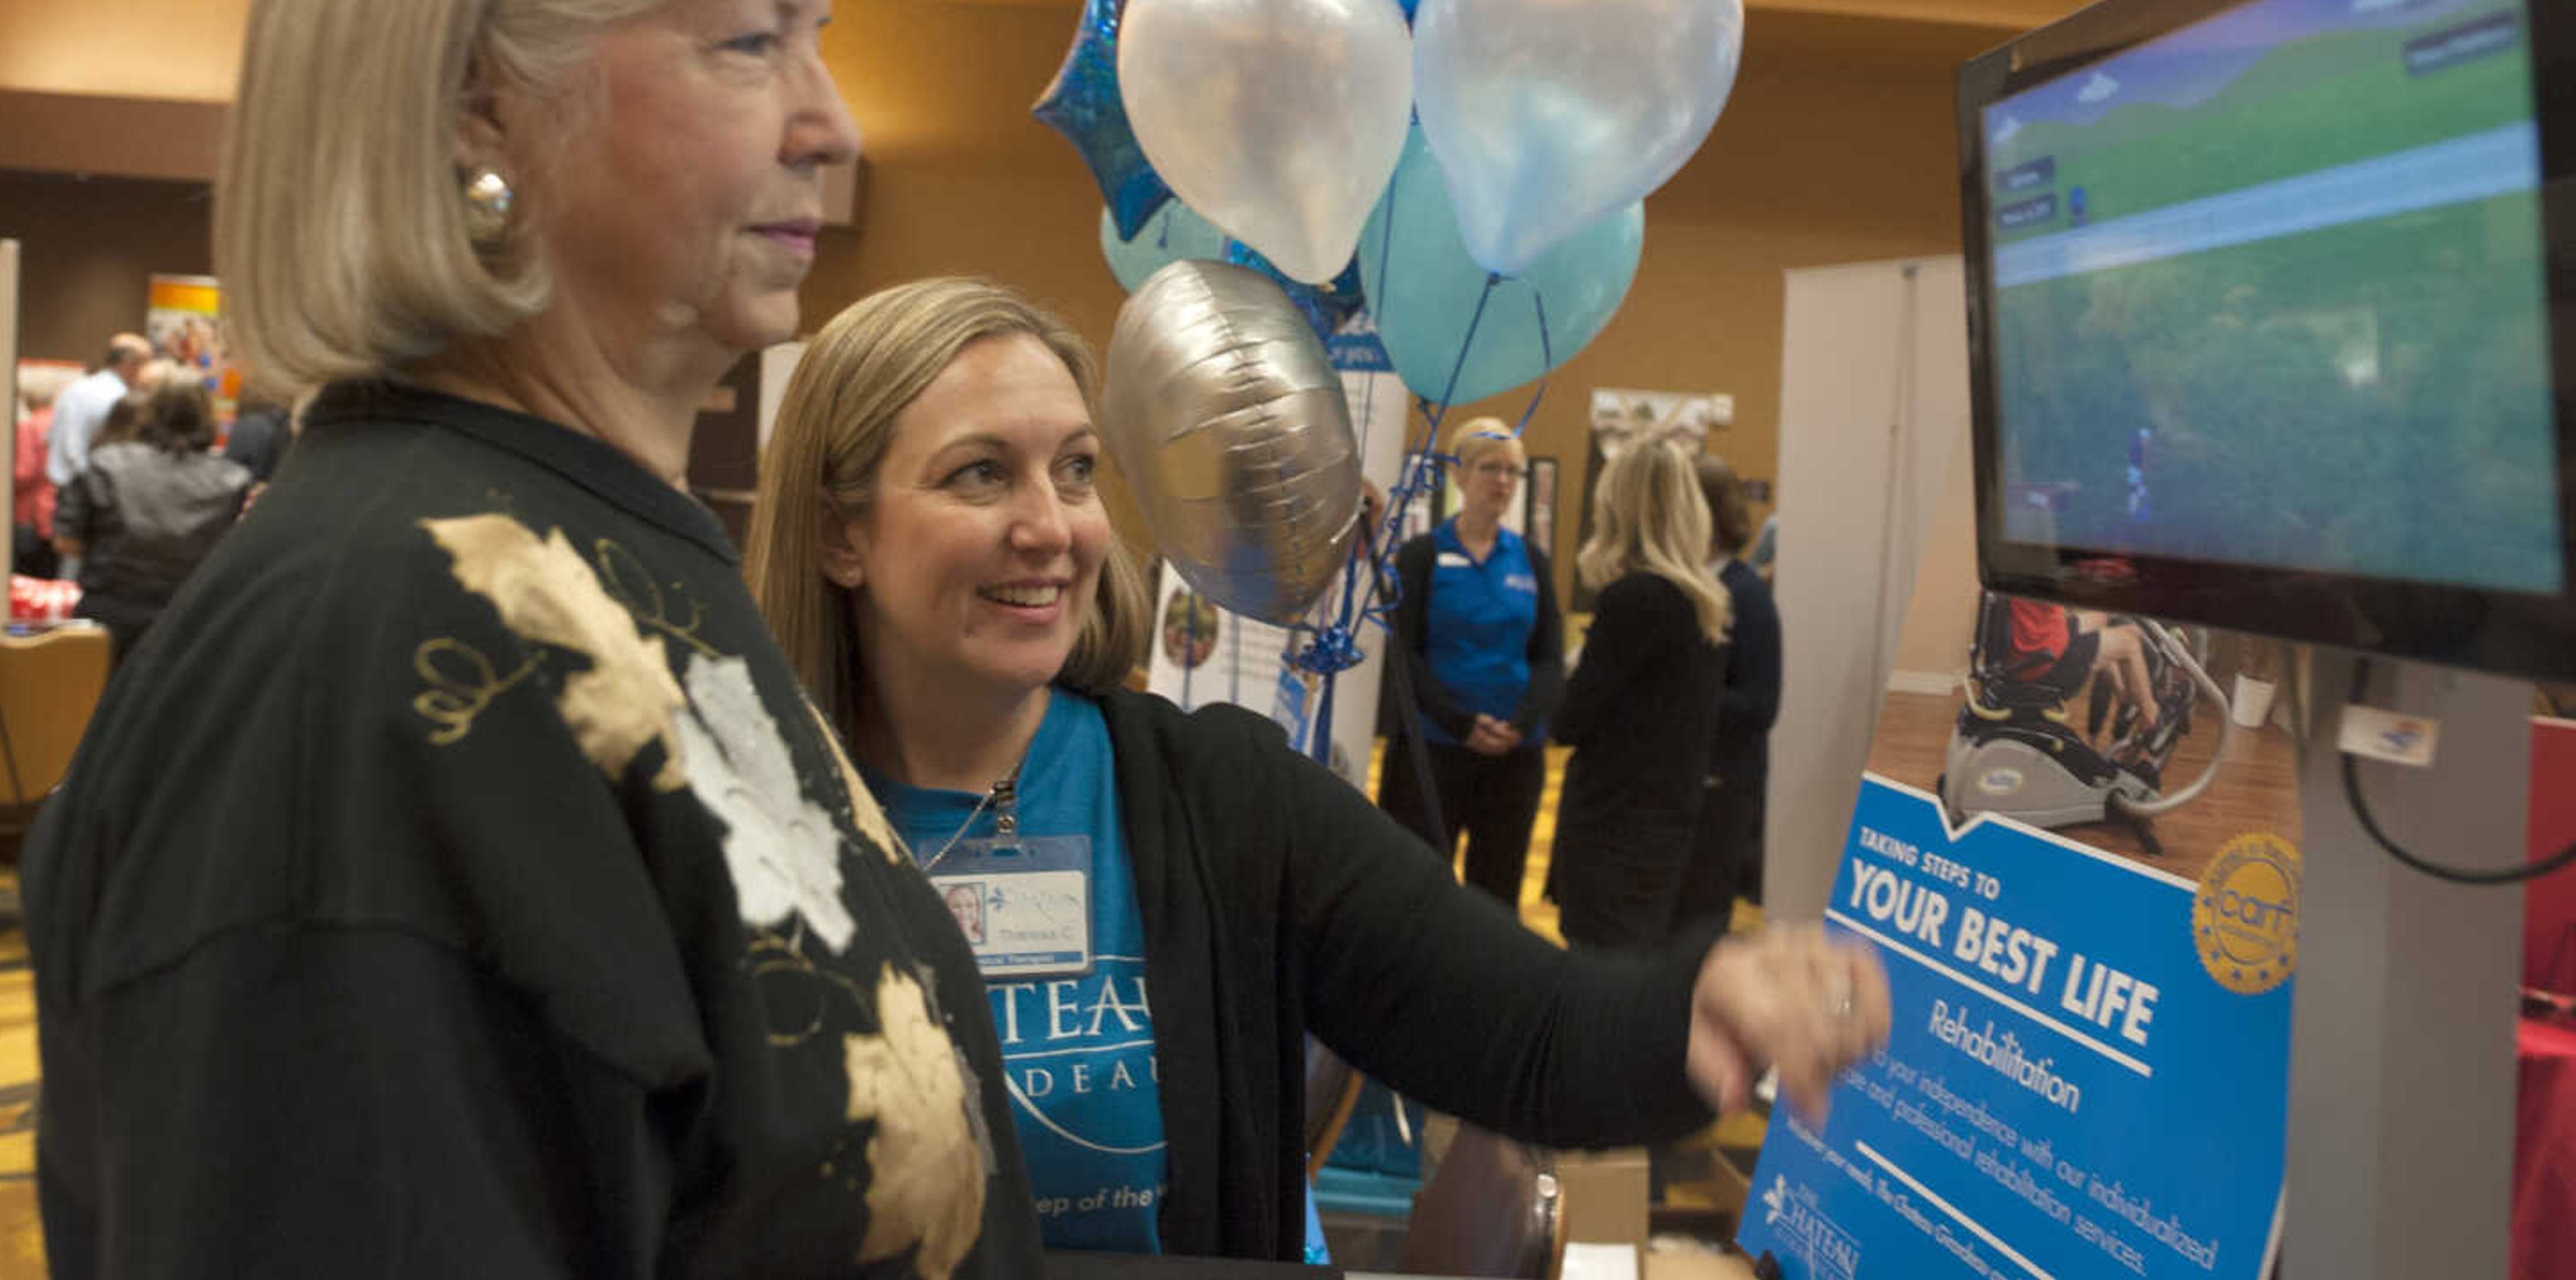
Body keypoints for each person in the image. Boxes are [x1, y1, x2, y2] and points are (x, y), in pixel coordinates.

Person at [21, 0, 1042, 1280]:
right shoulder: (360, 661)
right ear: (481, 94)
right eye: (750, 40)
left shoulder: (600, 545)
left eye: (815, 39)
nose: (830, 122)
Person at [749, 278, 1891, 1261]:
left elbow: (1524, 1030)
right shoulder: (722, 826)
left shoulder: (1218, 801)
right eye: (981, 475)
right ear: (840, 533)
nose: (1054, 528)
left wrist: (1695, 1007)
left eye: (1080, 470)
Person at [1551, 436, 1731, 951]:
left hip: (1613, 829)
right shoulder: (1704, 602)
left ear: (1620, 504)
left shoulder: (1635, 600)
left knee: (1600, 978)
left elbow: (1570, 720)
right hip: (1664, 825)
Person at [1376, 416, 1562, 909]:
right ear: (1458, 474)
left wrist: (1518, 725)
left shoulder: (1530, 560)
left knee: (1496, 897)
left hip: (1514, 756)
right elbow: (1403, 659)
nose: (1502, 481)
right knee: (1417, 893)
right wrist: (1462, 724)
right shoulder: (1422, 556)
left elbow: (1548, 660)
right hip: (1434, 753)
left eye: (1512, 472)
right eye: (1489, 468)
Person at [50, 368, 252, 667]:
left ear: (150, 412)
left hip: (108, 623)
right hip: (189, 626)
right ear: (208, 416)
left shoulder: (106, 464)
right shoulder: (233, 480)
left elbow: (66, 542)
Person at [1671, 456, 1784, 934]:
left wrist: (1672, 695)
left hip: (1722, 793)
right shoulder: (1683, 586)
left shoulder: (1747, 595)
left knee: (1700, 928)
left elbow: (1760, 707)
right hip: (1680, 788)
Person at [42, 335, 148, 575]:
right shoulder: (120, 400)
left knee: (69, 569)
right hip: (105, 499)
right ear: (132, 363)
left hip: (67, 492)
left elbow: (51, 441)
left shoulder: (75, 389)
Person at [11, 376, 59, 579]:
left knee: (28, 579)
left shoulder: (28, 427)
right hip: (58, 510)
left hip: (30, 514)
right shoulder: (61, 424)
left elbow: (24, 473)